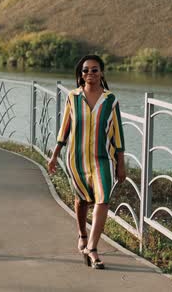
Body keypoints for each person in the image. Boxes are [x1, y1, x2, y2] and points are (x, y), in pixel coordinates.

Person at [47, 54, 126, 270]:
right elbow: (65, 127)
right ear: (80, 75)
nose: (89, 74)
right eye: (85, 70)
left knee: (103, 199)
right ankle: (82, 233)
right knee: (82, 200)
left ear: (101, 72)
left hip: (103, 158)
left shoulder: (111, 100)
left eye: (94, 70)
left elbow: (118, 133)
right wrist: (55, 154)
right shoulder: (73, 97)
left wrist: (121, 162)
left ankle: (92, 248)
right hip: (77, 159)